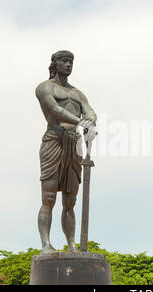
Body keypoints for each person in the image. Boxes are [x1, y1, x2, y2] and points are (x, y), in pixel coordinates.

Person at [35, 50, 97, 253]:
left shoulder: (78, 93)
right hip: (54, 141)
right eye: (64, 61)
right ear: (55, 63)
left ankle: (71, 245)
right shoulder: (45, 88)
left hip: (73, 144)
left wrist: (91, 119)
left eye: (71, 61)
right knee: (49, 197)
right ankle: (46, 244)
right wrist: (80, 121)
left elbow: (89, 110)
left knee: (70, 200)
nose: (68, 64)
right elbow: (54, 110)